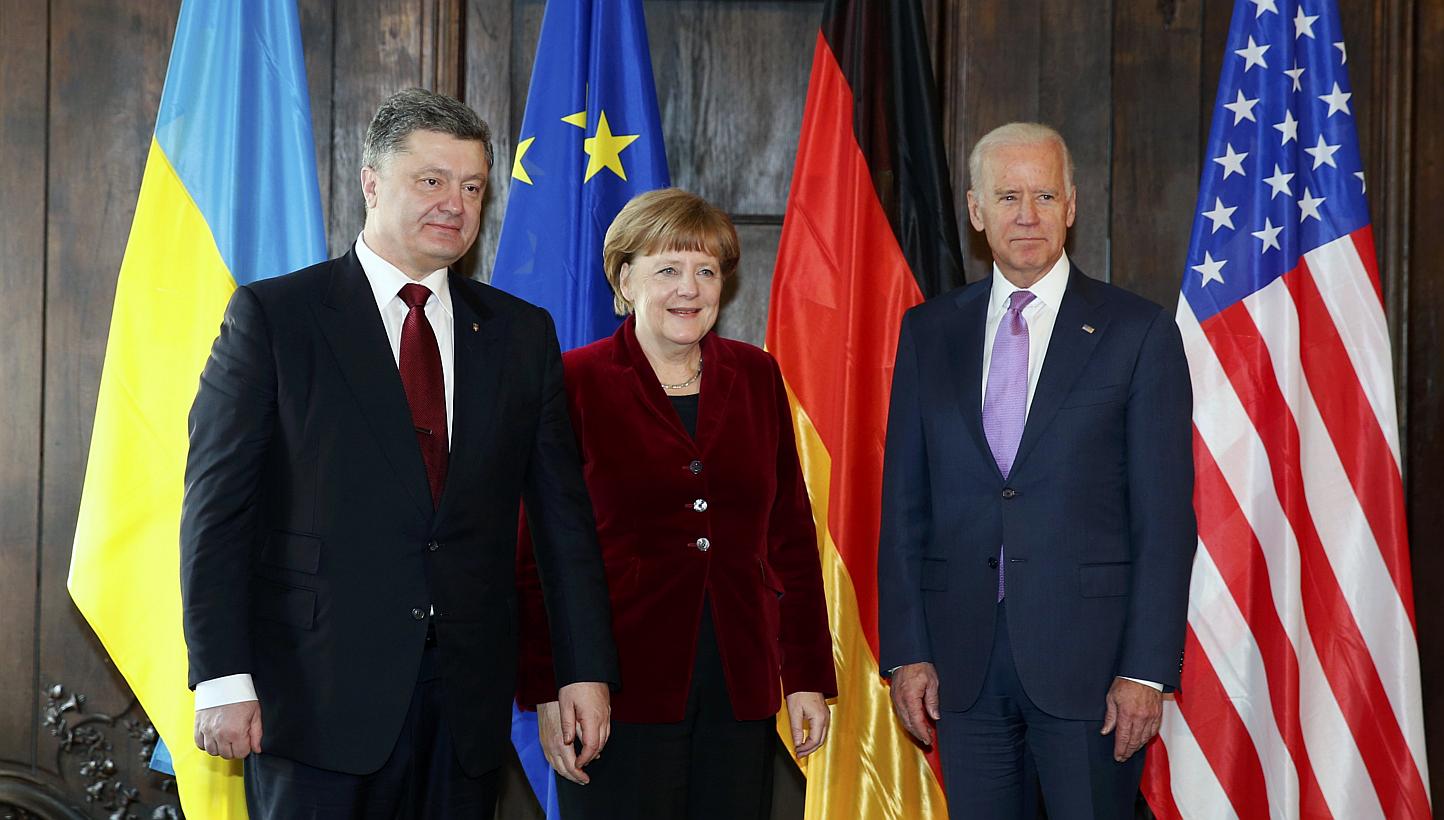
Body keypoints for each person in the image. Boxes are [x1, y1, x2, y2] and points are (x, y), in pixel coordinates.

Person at [180, 88, 618, 818]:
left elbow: (561, 524)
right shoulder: (276, 317)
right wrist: (222, 676)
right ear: (371, 182)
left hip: (467, 710)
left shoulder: (520, 334)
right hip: (315, 698)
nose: (456, 203)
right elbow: (217, 509)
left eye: (473, 186)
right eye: (432, 180)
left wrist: (578, 670)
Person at [877, 122, 1196, 819]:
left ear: (1072, 207)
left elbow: (1165, 519)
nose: (1027, 215)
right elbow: (905, 503)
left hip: (1092, 669)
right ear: (975, 210)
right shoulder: (929, 332)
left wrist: (1144, 669)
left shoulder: (1137, 332)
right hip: (962, 664)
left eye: (1045, 195)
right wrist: (906, 651)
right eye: (1009, 195)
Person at [514, 187, 837, 819]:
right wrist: (550, 685)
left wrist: (804, 675)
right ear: (624, 279)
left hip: (738, 686)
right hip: (611, 689)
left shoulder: (756, 377)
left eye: (706, 271)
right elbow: (535, 554)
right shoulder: (574, 381)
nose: (689, 288)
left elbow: (790, 538)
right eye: (668, 269)